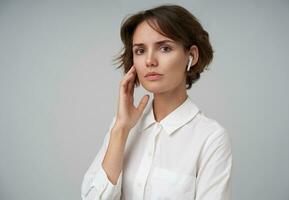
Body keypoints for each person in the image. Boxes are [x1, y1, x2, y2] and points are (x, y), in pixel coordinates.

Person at [81, 4, 232, 200]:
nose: (150, 61)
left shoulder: (211, 138)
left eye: (165, 48)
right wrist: (120, 129)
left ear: (191, 56)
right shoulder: (122, 127)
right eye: (140, 50)